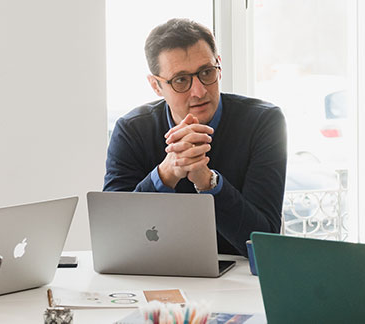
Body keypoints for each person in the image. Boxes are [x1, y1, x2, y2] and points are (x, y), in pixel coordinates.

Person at [103, 18, 287, 256]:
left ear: (219, 66)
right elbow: (113, 236)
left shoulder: (263, 122)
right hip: (153, 271)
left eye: (206, 72)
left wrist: (208, 182)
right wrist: (166, 173)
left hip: (237, 275)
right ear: (156, 86)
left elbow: (265, 245)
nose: (199, 91)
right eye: (181, 80)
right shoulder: (131, 130)